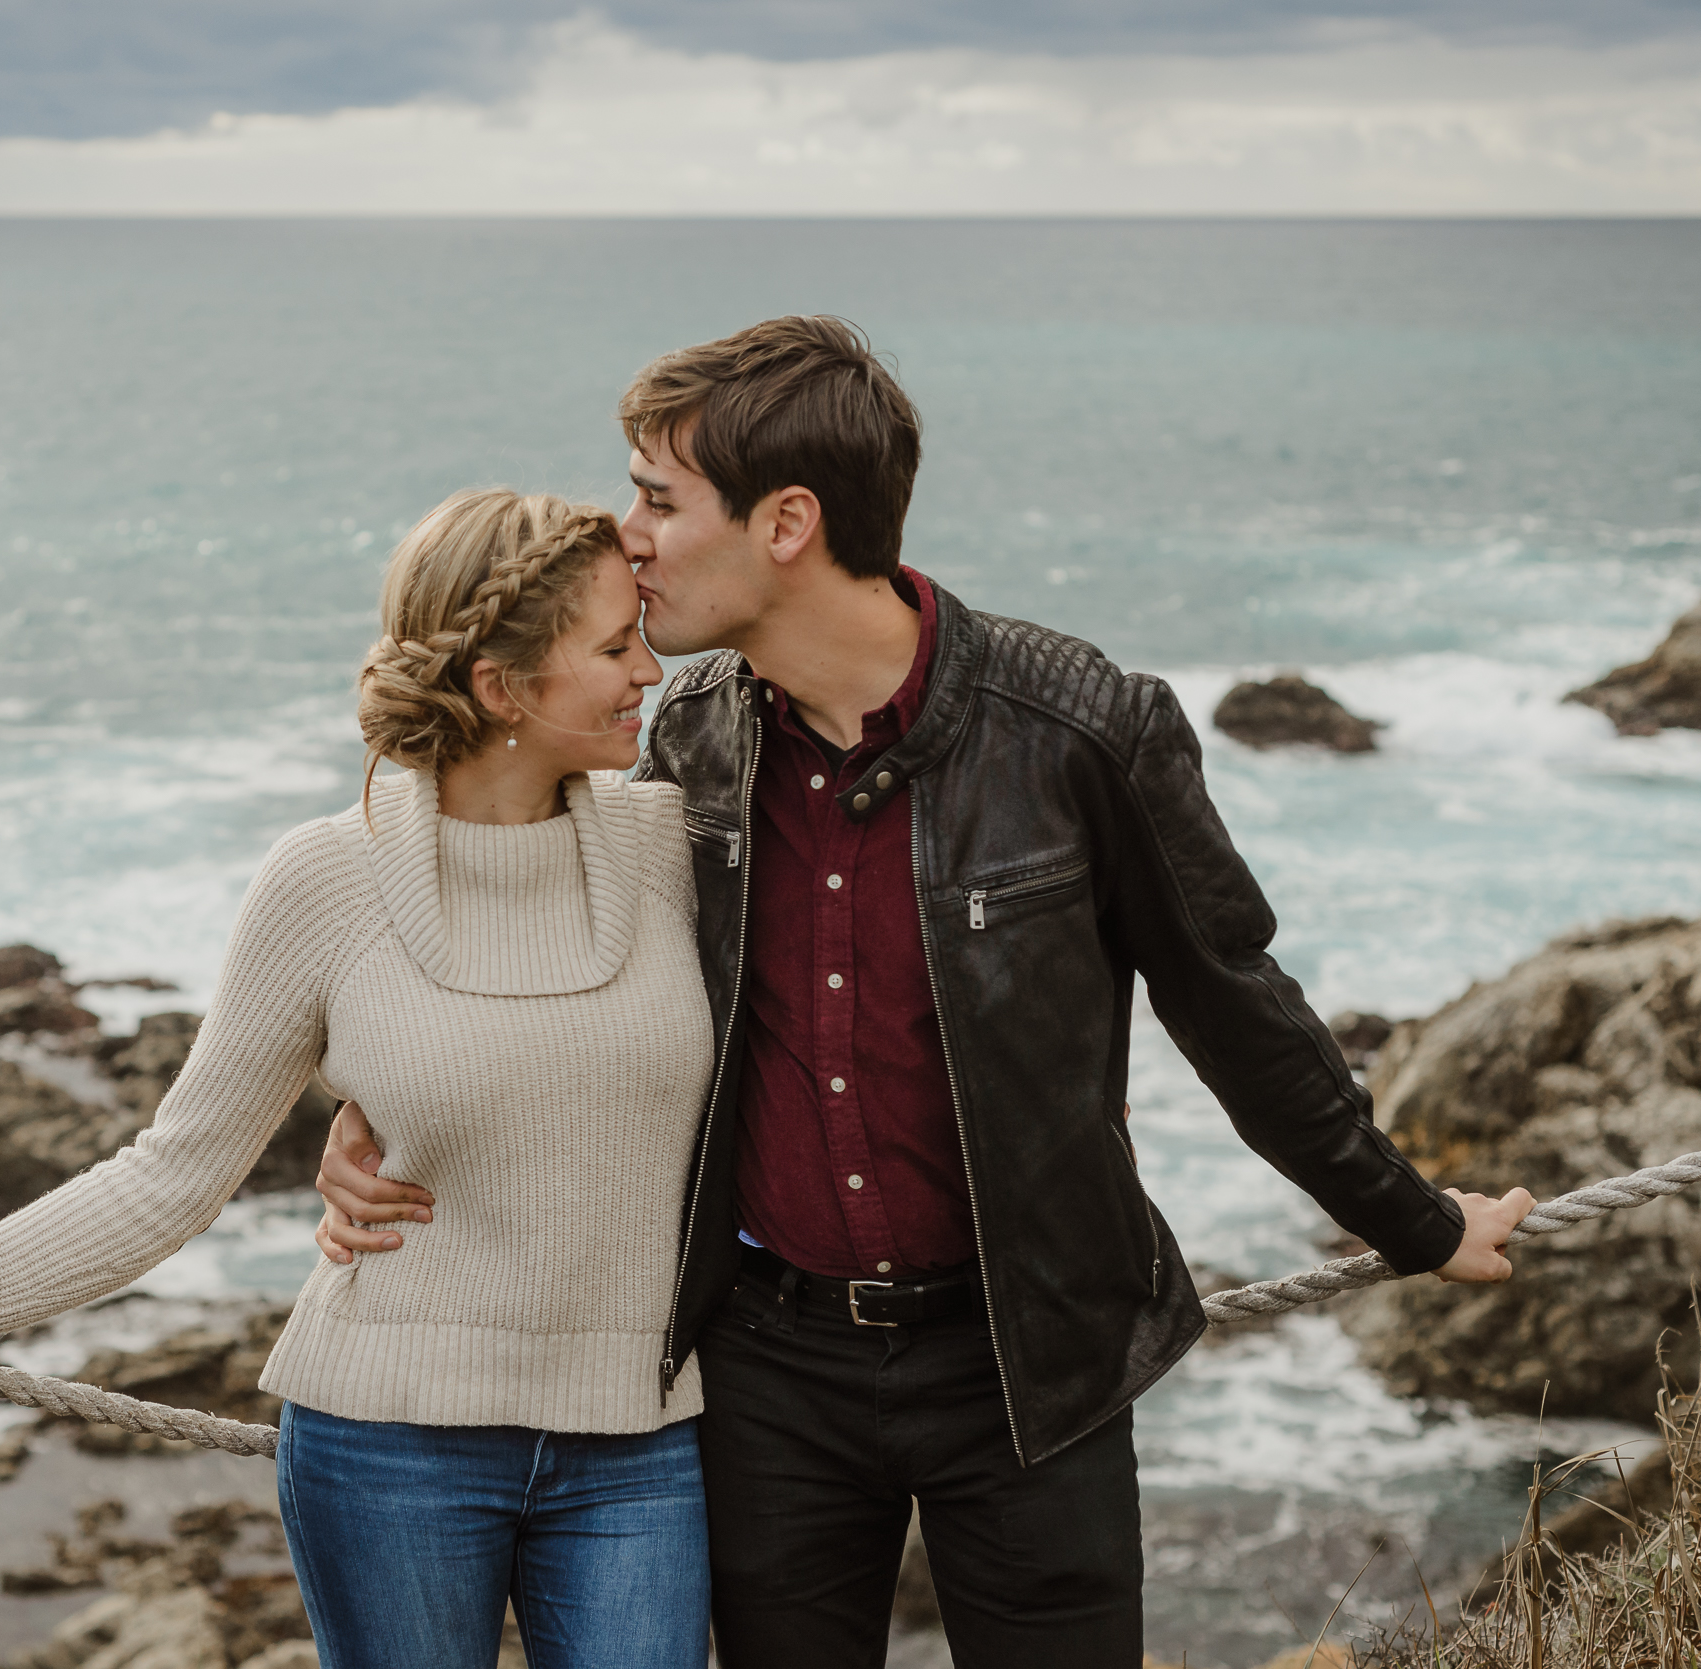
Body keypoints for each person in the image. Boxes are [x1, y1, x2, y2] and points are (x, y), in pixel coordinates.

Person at [312, 316, 1538, 1667]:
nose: (630, 534)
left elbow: (1236, 1009)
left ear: (786, 523)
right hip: (766, 1372)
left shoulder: (1083, 729)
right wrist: (381, 1113)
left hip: (1030, 1362)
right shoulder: (693, 742)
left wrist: (1411, 1221)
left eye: (659, 497)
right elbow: (565, 963)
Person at [0, 488, 719, 1669]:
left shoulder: (678, 843)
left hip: (640, 1442)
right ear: (503, 688)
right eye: (614, 646)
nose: (652, 671)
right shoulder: (324, 880)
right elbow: (171, 1175)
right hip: (387, 1442)